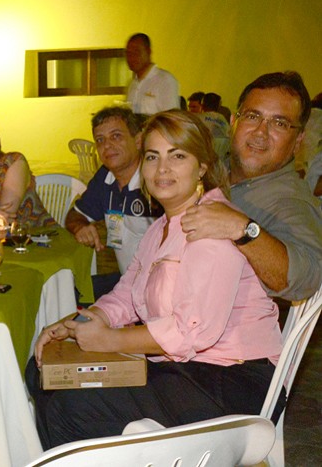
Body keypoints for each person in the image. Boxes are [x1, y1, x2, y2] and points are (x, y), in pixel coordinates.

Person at [28, 110, 285, 449]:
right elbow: (126, 293)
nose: (162, 169)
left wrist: (109, 340)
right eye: (153, 157)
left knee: (71, 407)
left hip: (231, 380)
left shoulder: (210, 225)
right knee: (43, 373)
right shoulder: (161, 226)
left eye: (177, 156)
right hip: (183, 368)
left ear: (202, 167)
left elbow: (190, 331)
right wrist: (78, 323)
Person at [180, 71, 322, 301]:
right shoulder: (211, 169)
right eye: (253, 116)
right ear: (233, 123)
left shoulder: (290, 201)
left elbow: (307, 278)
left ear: (298, 141)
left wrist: (242, 229)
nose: (260, 132)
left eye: (279, 123)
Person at [65, 107, 159, 297]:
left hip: (158, 290)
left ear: (138, 140)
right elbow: (75, 215)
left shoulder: (156, 180)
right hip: (127, 284)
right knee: (66, 294)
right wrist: (81, 227)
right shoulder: (105, 178)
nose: (107, 146)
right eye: (100, 140)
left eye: (116, 136)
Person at [125, 33, 179, 115]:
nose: (131, 57)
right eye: (128, 53)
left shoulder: (165, 80)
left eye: (136, 52)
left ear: (148, 52)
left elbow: (172, 118)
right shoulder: (132, 84)